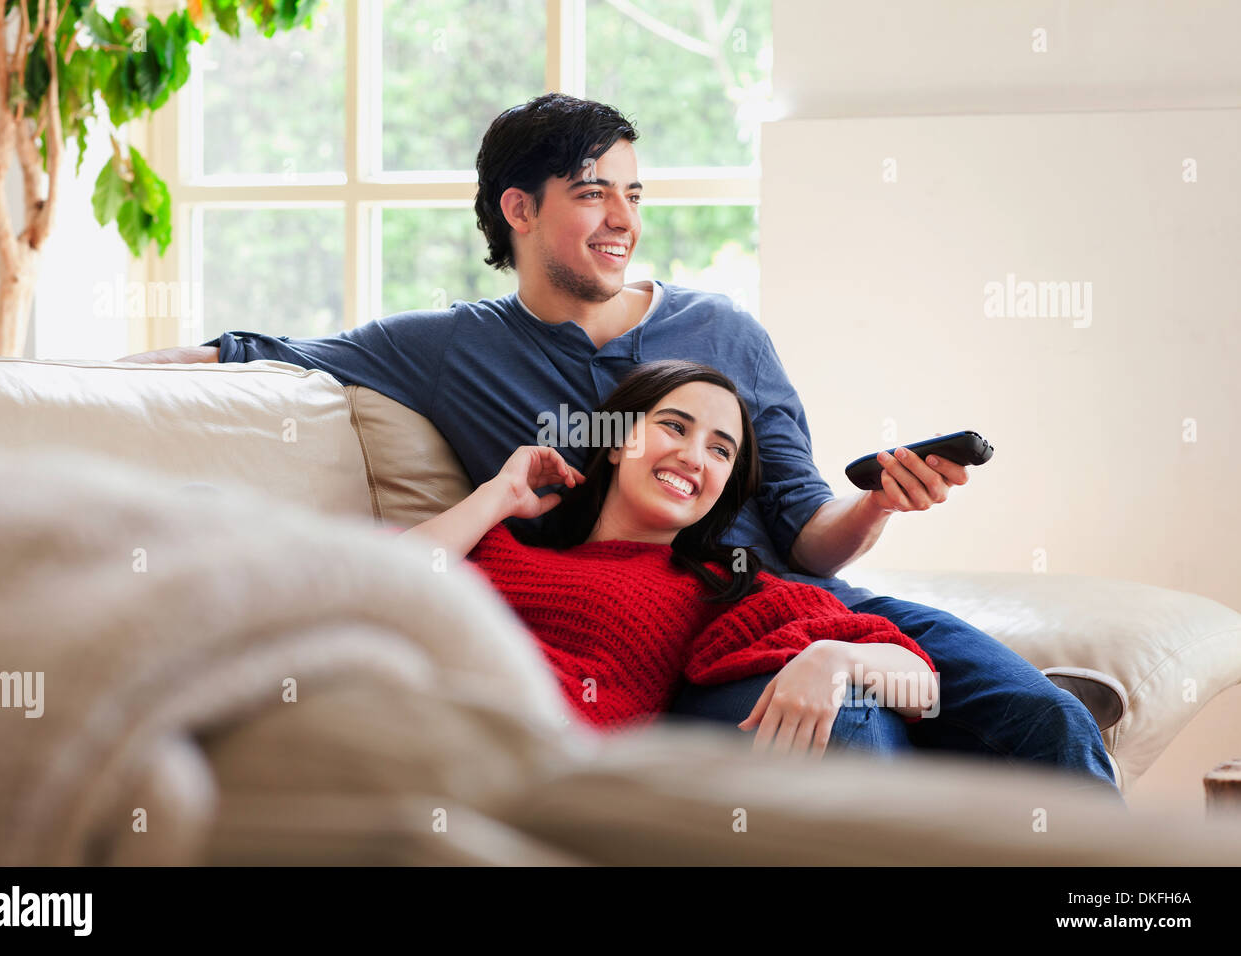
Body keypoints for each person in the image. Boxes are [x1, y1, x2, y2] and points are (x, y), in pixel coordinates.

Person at [120, 92, 1121, 800]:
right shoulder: (445, 349)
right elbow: (258, 347)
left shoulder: (726, 333)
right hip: (671, 629)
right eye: (595, 193)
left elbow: (806, 533)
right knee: (852, 737)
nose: (623, 221)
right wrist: (64, 374)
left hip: (805, 597)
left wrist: (877, 504)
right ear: (519, 208)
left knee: (1047, 723)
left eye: (635, 194)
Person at [403, 359, 938, 756]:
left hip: (532, 759)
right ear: (616, 442)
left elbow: (920, 683)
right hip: (412, 715)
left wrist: (834, 657)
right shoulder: (497, 545)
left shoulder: (715, 583)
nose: (692, 456)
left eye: (720, 449)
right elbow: (376, 581)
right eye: (675, 427)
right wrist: (496, 495)